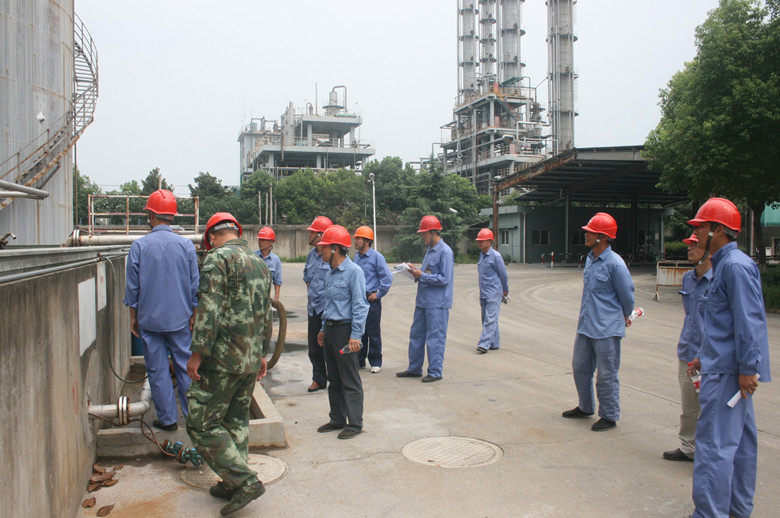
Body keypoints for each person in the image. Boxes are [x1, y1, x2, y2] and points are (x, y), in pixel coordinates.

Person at [686, 198, 771, 518]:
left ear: (719, 230)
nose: (697, 233)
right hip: (727, 368)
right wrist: (703, 356)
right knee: (741, 444)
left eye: (702, 227)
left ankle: (710, 513)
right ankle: (737, 508)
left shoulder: (733, 266)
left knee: (713, 446)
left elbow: (748, 322)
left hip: (728, 374)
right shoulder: (727, 264)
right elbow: (723, 323)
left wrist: (748, 368)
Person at [186, 212, 272, 516]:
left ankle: (245, 481)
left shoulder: (217, 259)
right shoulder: (260, 263)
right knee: (235, 422)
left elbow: (209, 309)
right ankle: (232, 482)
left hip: (222, 361)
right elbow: (267, 311)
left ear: (211, 237)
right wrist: (262, 353)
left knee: (201, 422)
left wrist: (197, 353)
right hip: (249, 359)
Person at [124, 189, 199, 431]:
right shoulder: (186, 246)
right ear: (171, 216)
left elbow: (133, 288)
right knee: (185, 368)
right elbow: (195, 285)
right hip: (180, 319)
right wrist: (194, 313)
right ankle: (193, 420)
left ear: (151, 214)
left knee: (157, 370)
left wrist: (133, 317)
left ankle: (167, 420)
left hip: (150, 320)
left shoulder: (139, 246)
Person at [562, 212, 634, 432]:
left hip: (606, 329)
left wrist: (625, 315)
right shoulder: (590, 259)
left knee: (606, 375)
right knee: (580, 367)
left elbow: (627, 296)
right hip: (586, 325)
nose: (586, 235)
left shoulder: (615, 264)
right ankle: (585, 407)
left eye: (590, 232)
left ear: (603, 237)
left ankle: (609, 415)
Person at [315, 225, 369, 439]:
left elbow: (360, 305)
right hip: (330, 331)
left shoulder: (354, 272)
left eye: (324, 247)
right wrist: (322, 328)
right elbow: (329, 304)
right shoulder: (330, 274)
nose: (320, 250)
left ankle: (355, 424)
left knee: (349, 378)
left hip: (345, 332)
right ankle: (337, 418)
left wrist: (355, 335)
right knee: (334, 378)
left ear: (335, 248)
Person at [662, 232, 711, 462]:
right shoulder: (688, 279)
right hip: (688, 352)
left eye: (695, 245)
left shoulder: (719, 281)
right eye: (689, 245)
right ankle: (689, 447)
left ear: (709, 250)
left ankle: (710, 452)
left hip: (711, 356)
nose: (689, 249)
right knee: (689, 405)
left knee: (710, 407)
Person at [396, 215, 454, 383]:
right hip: (423, 301)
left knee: (435, 338)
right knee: (416, 335)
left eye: (424, 233)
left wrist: (421, 275)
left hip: (437, 303)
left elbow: (444, 279)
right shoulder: (430, 250)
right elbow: (428, 272)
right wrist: (415, 271)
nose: (422, 237)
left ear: (434, 232)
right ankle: (414, 368)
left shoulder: (445, 252)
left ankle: (435, 371)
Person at [353, 225, 393, 373]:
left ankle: (376, 361)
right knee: (360, 330)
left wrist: (378, 294)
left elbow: (387, 278)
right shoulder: (356, 257)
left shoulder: (376, 257)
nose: (355, 241)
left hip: (371, 299)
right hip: (358, 299)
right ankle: (359, 360)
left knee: (373, 332)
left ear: (367, 241)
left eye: (358, 238)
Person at [303, 216, 332, 392]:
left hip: (328, 308)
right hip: (313, 308)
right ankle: (319, 379)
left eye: (312, 232)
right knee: (314, 348)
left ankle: (335, 379)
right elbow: (306, 276)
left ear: (320, 235)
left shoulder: (332, 257)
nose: (309, 235)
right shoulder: (311, 255)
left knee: (330, 348)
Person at [474, 228, 509, 354]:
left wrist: (505, 290)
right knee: (487, 319)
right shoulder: (481, 256)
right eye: (479, 241)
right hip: (484, 293)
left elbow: (503, 274)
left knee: (490, 319)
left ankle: (484, 344)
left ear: (490, 242)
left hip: (494, 293)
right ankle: (494, 343)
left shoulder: (496, 256)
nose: (479, 243)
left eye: (482, 241)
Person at [255, 226, 282, 301]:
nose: (260, 242)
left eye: (263, 240)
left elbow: (277, 281)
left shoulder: (275, 260)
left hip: (266, 299)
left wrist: (276, 298)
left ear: (271, 242)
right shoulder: (252, 256)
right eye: (259, 239)